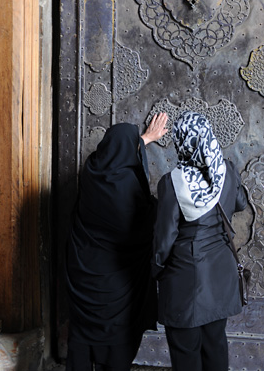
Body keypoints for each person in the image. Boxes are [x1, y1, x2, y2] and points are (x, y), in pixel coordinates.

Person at [65, 112, 168, 371]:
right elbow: (147, 221)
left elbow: (115, 154)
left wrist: (142, 140)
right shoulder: (127, 191)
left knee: (82, 331)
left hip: (84, 274)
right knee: (116, 335)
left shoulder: (92, 172)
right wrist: (141, 142)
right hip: (115, 282)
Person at [152, 111, 247, 371]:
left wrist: (156, 270)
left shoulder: (172, 183)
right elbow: (239, 203)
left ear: (180, 142)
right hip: (220, 273)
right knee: (215, 343)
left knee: (185, 351)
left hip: (184, 279)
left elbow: (165, 236)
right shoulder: (226, 170)